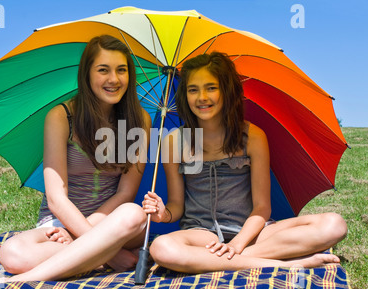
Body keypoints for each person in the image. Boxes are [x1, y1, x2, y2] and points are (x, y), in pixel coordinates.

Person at [0, 35, 152, 289]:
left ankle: (19, 280)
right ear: (87, 74)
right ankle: (99, 259)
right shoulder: (62, 116)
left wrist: (90, 237)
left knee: (133, 213)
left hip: (113, 223)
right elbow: (57, 198)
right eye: (103, 69)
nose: (114, 79)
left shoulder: (140, 120)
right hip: (60, 223)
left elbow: (125, 193)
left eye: (121, 70)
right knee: (12, 254)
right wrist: (104, 249)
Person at [142, 52, 347, 274]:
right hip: (201, 234)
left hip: (253, 233)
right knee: (162, 248)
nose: (202, 97)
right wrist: (163, 214)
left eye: (211, 87)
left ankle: (218, 261)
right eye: (193, 89)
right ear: (184, 95)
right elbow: (177, 206)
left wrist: (237, 245)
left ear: (227, 91)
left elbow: (262, 207)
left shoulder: (253, 137)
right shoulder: (173, 141)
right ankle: (284, 264)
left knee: (334, 224)